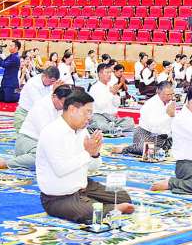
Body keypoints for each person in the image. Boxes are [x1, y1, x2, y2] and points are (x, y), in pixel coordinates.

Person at [35, 88, 135, 224]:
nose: (90, 117)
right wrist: (87, 153)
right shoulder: (52, 133)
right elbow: (60, 170)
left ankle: (98, 205)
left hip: (84, 186)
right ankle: (109, 208)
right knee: (89, 213)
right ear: (72, 110)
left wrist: (95, 154)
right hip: (58, 197)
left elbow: (93, 167)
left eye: (91, 112)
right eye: (87, 112)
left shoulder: (82, 131)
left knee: (123, 197)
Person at [0, 84, 73, 170]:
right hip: (28, 140)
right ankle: (7, 163)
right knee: (43, 157)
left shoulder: (60, 107)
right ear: (54, 97)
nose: (64, 106)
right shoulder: (41, 106)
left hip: (43, 144)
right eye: (63, 103)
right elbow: (46, 134)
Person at [124, 82, 175, 156]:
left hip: (163, 137)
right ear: (158, 92)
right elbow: (154, 127)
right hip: (146, 134)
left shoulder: (170, 103)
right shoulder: (151, 104)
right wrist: (168, 116)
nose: (170, 97)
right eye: (168, 95)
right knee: (149, 151)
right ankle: (127, 149)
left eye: (172, 94)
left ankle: (163, 147)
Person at [87, 63, 135, 136]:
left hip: (111, 117)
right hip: (99, 116)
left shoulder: (110, 86)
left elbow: (117, 104)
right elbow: (100, 106)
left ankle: (111, 127)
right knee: (102, 125)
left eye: (110, 73)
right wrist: (111, 94)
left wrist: (115, 94)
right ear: (100, 74)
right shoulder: (95, 88)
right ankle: (109, 127)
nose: (109, 75)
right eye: (107, 72)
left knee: (130, 122)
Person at [15, 67, 61, 132]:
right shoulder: (33, 83)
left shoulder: (50, 84)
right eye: (52, 81)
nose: (52, 83)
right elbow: (40, 104)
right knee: (25, 136)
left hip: (38, 115)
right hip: (24, 114)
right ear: (44, 76)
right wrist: (53, 92)